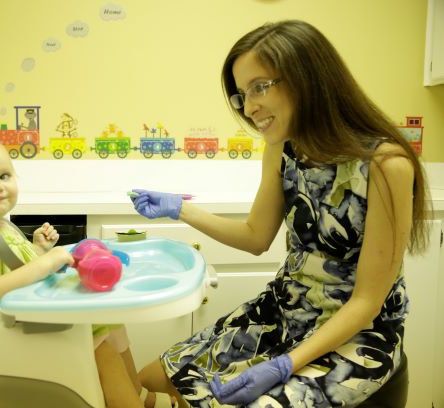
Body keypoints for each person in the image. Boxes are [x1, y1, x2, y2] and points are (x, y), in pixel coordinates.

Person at [130, 19, 430, 408]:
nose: (250, 107)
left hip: (358, 336)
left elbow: (366, 303)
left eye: (259, 87)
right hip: (284, 310)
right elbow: (256, 237)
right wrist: (180, 209)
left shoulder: (386, 164)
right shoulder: (283, 146)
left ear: (307, 78)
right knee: (148, 379)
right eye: (242, 94)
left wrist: (285, 365)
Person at [0, 132, 177, 408]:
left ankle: (138, 394)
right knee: (104, 349)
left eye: (4, 176)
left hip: (32, 313)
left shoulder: (1, 226)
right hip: (15, 328)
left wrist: (38, 251)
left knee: (111, 322)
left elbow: (15, 270)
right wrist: (46, 264)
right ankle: (129, 402)